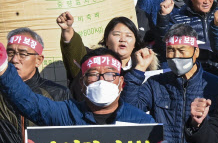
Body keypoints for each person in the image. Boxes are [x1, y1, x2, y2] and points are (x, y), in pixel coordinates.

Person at [122, 24, 218, 143]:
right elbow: (128, 113)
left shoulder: (215, 86)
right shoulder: (155, 84)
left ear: (196, 52)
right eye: (170, 51)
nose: (175, 56)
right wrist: (138, 71)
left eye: (182, 51)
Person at [0, 46, 154, 126]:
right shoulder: (66, 114)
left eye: (109, 74)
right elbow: (29, 102)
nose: (101, 81)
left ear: (121, 83)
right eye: (93, 74)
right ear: (82, 83)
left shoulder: (141, 122)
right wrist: (3, 68)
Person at [0, 29, 70, 143]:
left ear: (39, 60)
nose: (15, 60)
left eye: (23, 54)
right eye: (10, 53)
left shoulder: (58, 93)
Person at [58, 13, 156, 100]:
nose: (123, 39)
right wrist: (67, 30)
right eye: (117, 34)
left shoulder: (143, 68)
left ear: (135, 43)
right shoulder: (91, 60)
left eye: (128, 36)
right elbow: (75, 49)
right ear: (106, 41)